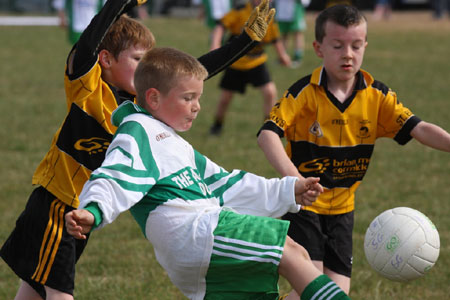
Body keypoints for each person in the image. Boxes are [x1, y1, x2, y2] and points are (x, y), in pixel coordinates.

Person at [0, 0, 279, 298]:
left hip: (83, 210)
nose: (145, 67)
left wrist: (245, 41)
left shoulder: (140, 106)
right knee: (59, 292)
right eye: (137, 59)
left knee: (33, 290)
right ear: (105, 59)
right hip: (56, 204)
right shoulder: (86, 86)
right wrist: (122, 3)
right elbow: (88, 43)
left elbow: (194, 74)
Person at [65, 46, 353, 300]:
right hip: (197, 233)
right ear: (153, 98)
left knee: (298, 254)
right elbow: (116, 174)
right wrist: (93, 210)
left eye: (198, 98)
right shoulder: (138, 130)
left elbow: (226, 184)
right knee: (288, 251)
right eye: (188, 98)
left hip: (195, 247)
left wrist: (289, 191)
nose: (197, 106)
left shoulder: (175, 144)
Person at [256, 4, 450, 295]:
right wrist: (294, 179)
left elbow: (418, 128)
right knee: (316, 288)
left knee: (336, 293)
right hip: (305, 206)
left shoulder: (377, 97)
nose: (348, 53)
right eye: (338, 46)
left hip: (343, 211)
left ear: (365, 46)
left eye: (356, 45)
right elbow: (267, 135)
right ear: (319, 48)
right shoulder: (304, 94)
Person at [209, 0, 291, 135]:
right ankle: (217, 125)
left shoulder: (268, 14)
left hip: (257, 61)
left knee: (270, 92)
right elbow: (221, 26)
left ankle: (268, 128)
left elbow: (275, 38)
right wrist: (215, 44)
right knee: (225, 98)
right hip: (236, 62)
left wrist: (282, 55)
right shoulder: (240, 10)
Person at [274, 0, 308, 67]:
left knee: (297, 33)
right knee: (283, 34)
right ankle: (283, 57)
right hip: (282, 9)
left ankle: (297, 57)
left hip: (295, 8)